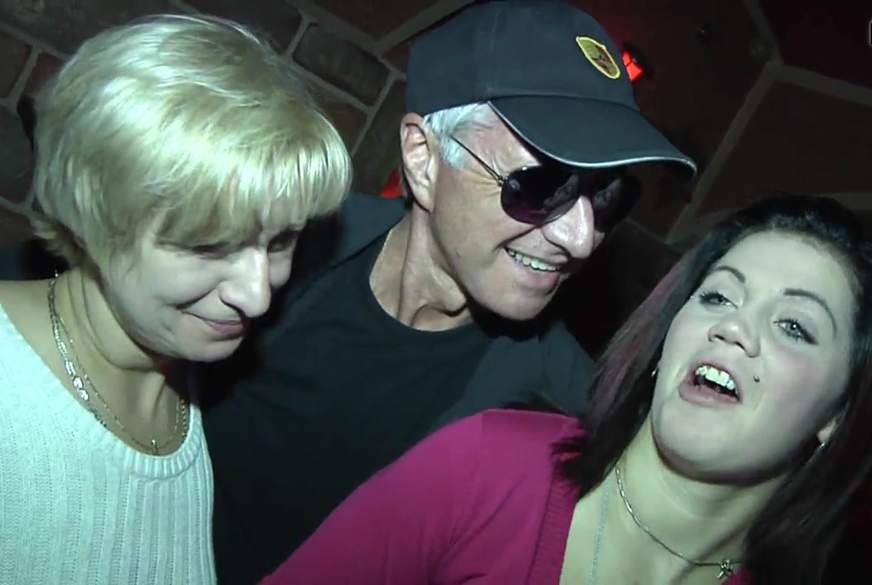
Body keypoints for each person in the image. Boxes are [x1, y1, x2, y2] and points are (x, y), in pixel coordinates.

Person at [202, 1, 697, 581]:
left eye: (608, 196)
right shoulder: (270, 250)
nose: (580, 238)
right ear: (423, 159)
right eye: (541, 186)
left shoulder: (565, 414)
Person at [261, 194, 872, 585]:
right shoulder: (488, 466)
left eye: (794, 326)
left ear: (837, 413)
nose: (734, 328)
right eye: (717, 296)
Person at [0, 14, 350, 585]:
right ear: (90, 215)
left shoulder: (208, 391)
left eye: (281, 241)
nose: (257, 296)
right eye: (209, 245)